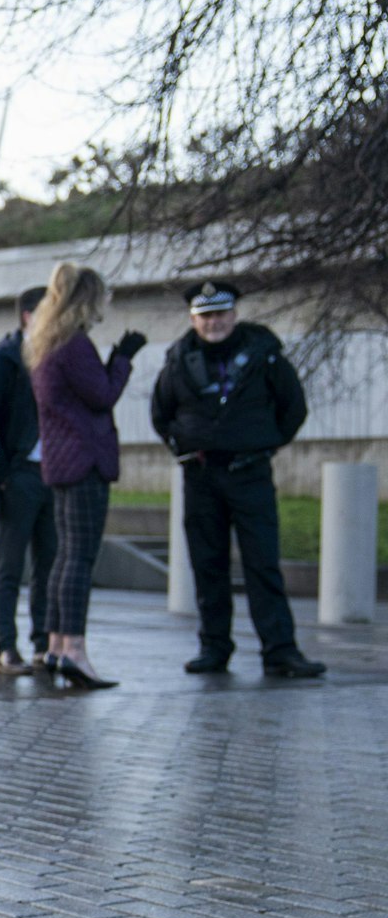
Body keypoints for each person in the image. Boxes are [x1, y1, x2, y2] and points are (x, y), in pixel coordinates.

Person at [151, 280, 324, 678]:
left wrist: (264, 443)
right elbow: (161, 414)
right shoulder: (179, 361)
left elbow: (293, 408)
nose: (214, 322)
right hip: (201, 476)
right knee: (207, 565)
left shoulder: (264, 355)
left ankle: (280, 651)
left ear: (234, 314)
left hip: (251, 474)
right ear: (193, 319)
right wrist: (185, 444)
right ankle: (214, 648)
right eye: (205, 315)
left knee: (263, 564)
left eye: (220, 314)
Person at [25, 263, 143, 689]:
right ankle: (73, 649)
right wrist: (123, 359)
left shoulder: (48, 342)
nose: (106, 303)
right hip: (83, 462)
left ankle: (57, 647)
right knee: (79, 557)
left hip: (62, 462)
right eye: (103, 296)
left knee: (65, 556)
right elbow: (103, 394)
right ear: (87, 300)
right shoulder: (75, 345)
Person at [0, 286, 55, 674]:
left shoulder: (57, 357)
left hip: (55, 475)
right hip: (19, 477)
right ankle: (5, 647)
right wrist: (2, 476)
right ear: (28, 315)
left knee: (50, 564)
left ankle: (43, 645)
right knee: (10, 565)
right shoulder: (4, 359)